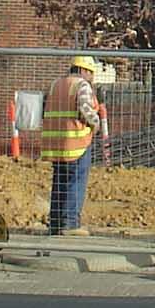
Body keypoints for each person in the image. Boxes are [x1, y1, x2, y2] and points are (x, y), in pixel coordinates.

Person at [42, 55, 107, 236]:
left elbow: (44, 108)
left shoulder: (56, 84)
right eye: (91, 73)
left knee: (60, 181)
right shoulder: (81, 85)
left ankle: (55, 223)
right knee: (76, 180)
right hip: (76, 142)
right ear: (84, 70)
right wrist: (96, 123)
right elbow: (85, 108)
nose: (92, 78)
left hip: (55, 143)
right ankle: (70, 223)